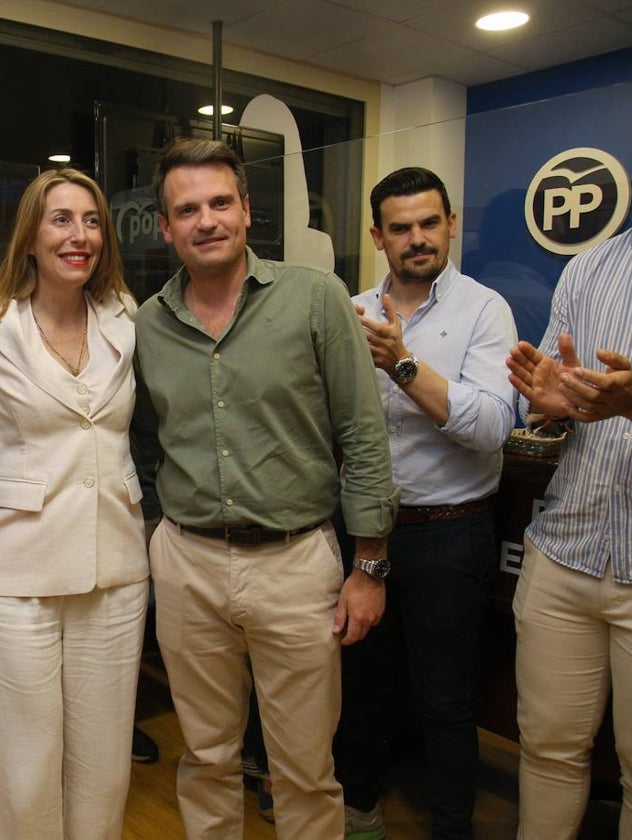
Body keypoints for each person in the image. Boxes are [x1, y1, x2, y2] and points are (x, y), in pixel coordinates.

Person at [132, 137, 397, 840]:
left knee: (306, 769)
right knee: (208, 757)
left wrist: (369, 565)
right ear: (165, 227)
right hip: (186, 565)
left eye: (221, 202)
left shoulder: (314, 298)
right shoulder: (148, 325)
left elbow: (363, 434)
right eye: (187, 209)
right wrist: (159, 531)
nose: (206, 220)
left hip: (295, 562)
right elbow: (139, 441)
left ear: (248, 211)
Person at [0, 168, 149, 839]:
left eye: (93, 220)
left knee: (103, 762)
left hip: (116, 566)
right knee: (19, 760)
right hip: (13, 569)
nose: (80, 235)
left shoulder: (124, 315)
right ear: (30, 235)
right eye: (61, 219)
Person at [334, 167, 517, 840]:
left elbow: (493, 425)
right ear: (378, 235)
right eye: (402, 227)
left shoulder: (484, 309)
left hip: (449, 532)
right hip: (361, 533)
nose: (418, 239)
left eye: (429, 223)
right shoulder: (349, 309)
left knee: (446, 699)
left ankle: (451, 828)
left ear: (450, 224)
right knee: (360, 690)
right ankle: (359, 817)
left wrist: (402, 365)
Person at [505, 226, 632, 840]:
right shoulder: (588, 268)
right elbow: (550, 405)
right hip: (565, 548)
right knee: (548, 751)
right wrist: (547, 402)